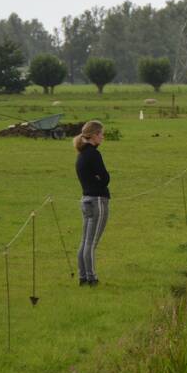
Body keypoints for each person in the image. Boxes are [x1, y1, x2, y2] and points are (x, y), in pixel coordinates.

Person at [75, 120, 110, 287]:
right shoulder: (94, 155)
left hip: (85, 200)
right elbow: (105, 178)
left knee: (84, 241)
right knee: (91, 242)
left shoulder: (81, 155)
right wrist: (99, 179)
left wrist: (98, 178)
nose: (102, 137)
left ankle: (82, 276)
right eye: (101, 134)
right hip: (97, 201)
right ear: (95, 135)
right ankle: (92, 278)